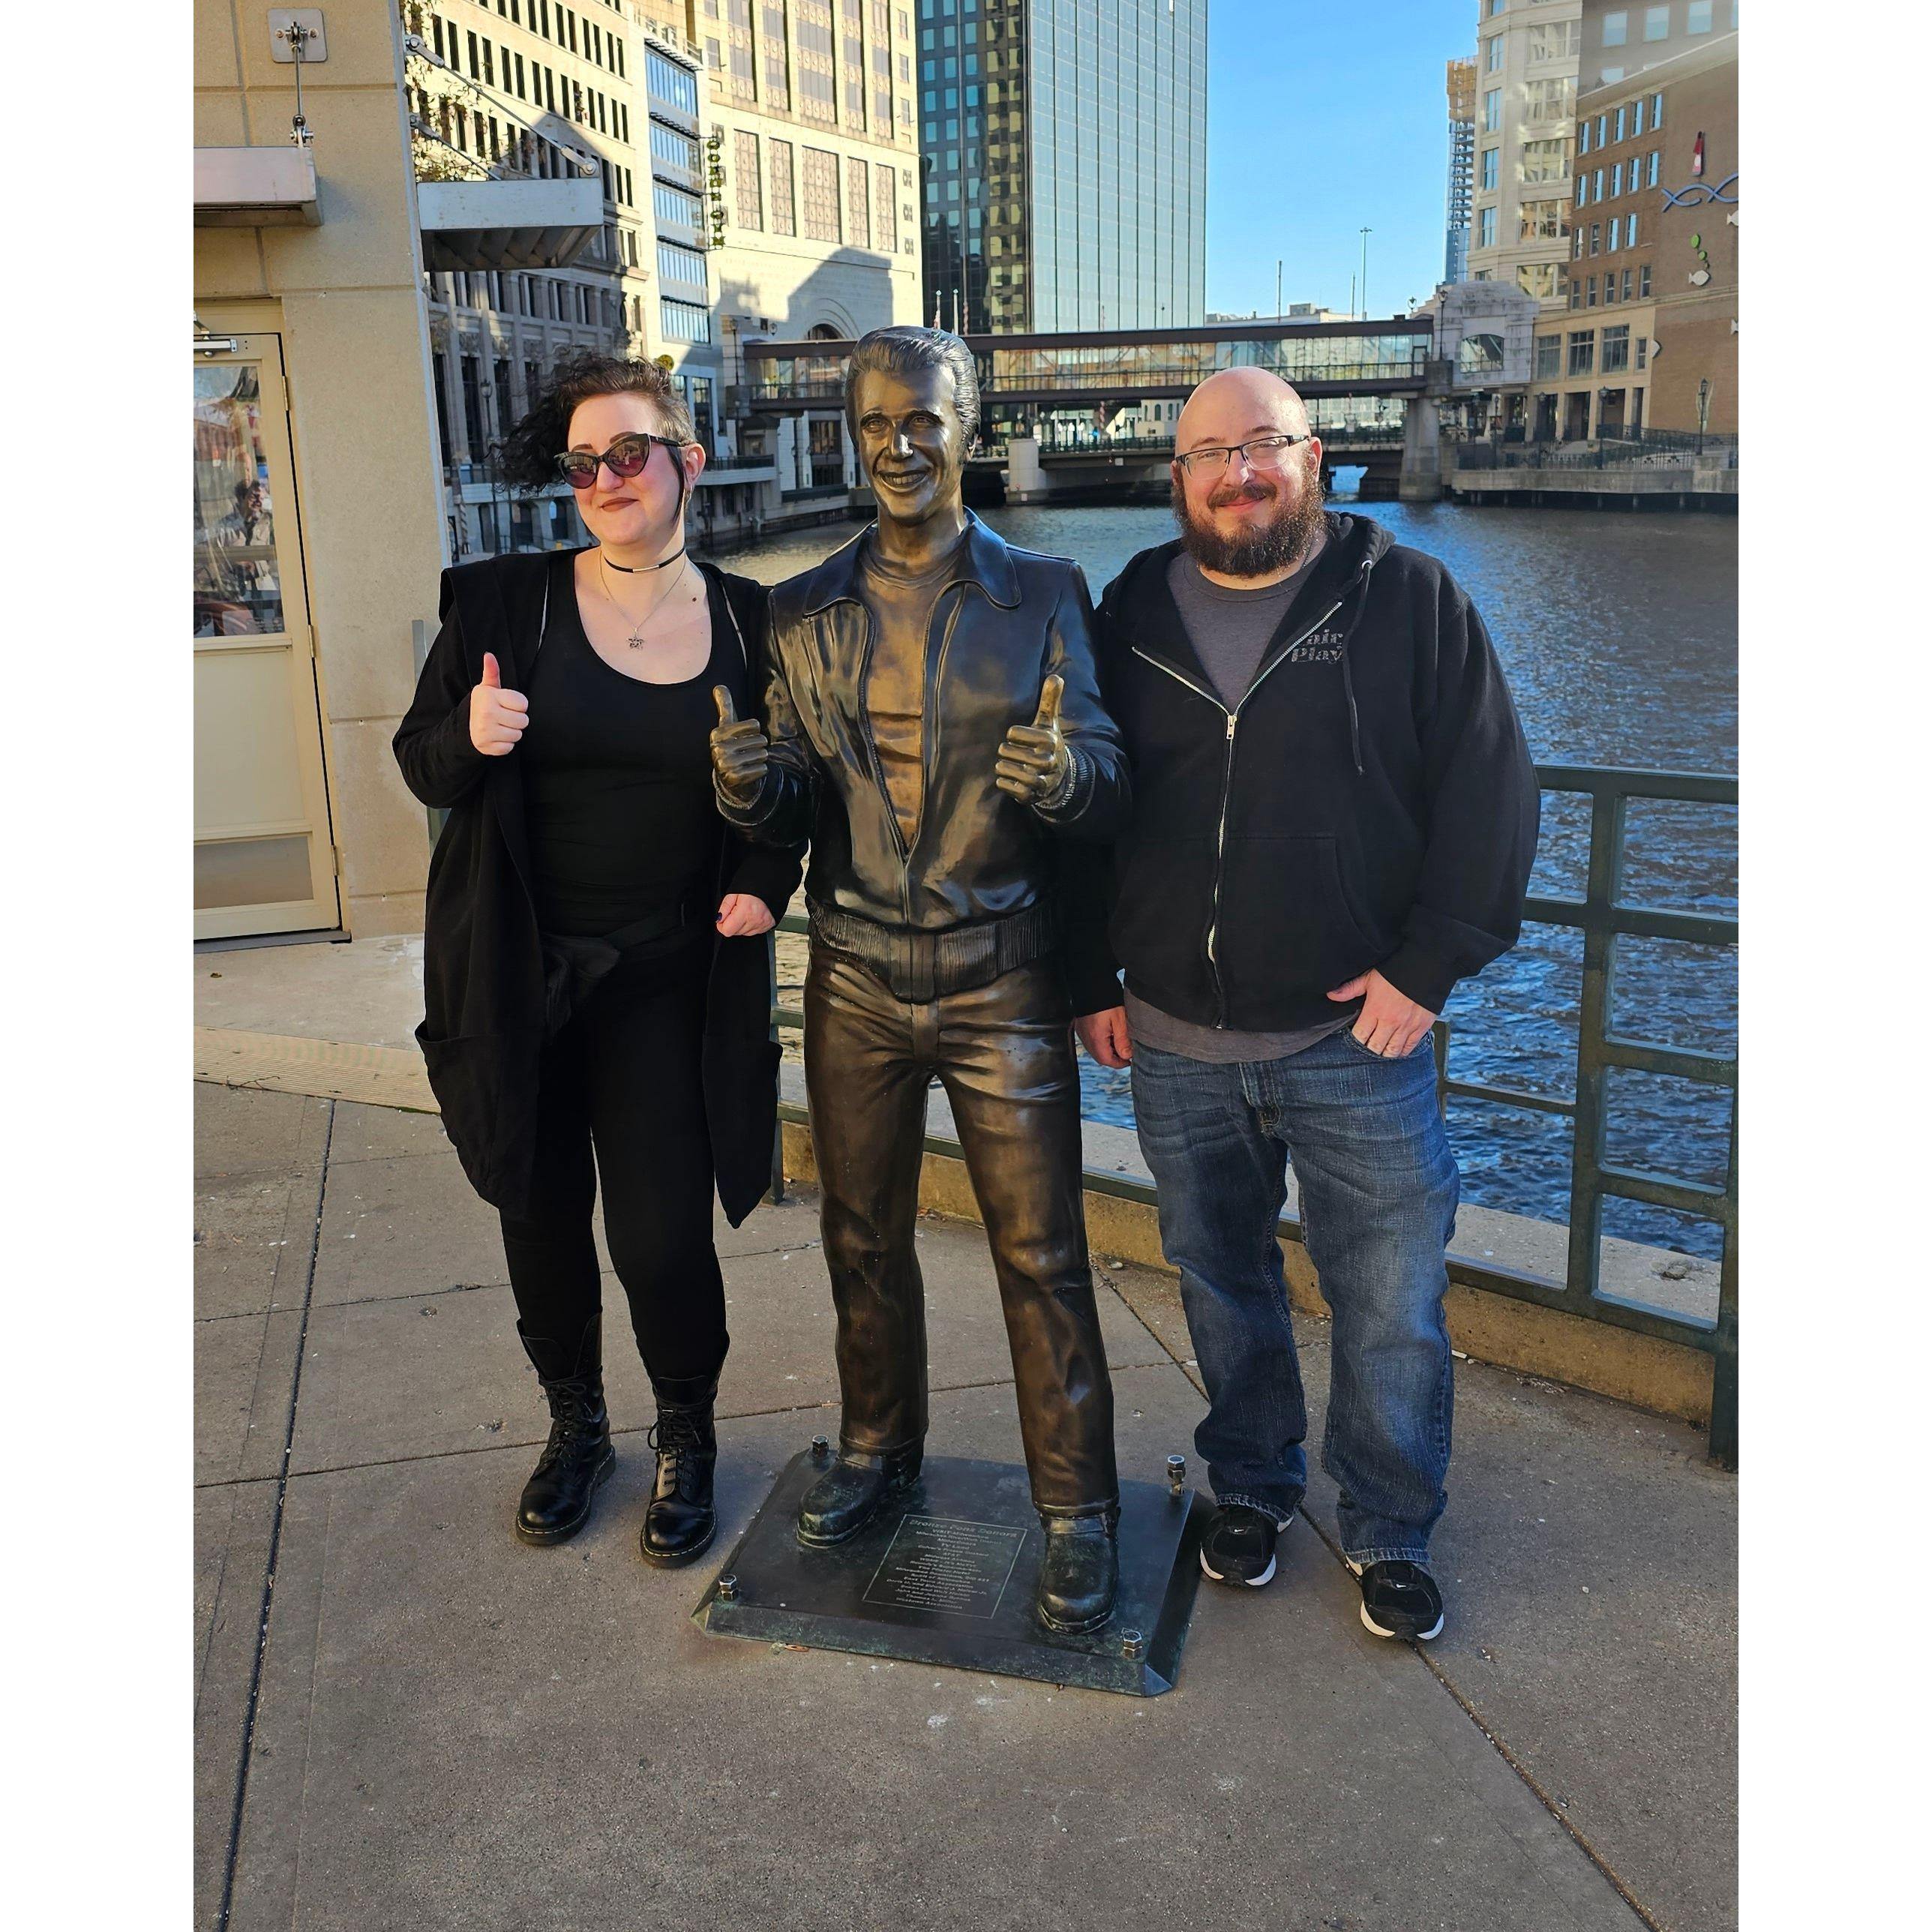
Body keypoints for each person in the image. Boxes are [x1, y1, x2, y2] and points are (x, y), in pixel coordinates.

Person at [1064, 367, 1539, 1642]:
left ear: (1315, 455)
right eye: (1210, 455)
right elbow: (1081, 812)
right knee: (1220, 1279)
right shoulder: (1128, 613)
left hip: (1354, 1037)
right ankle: (1254, 1486)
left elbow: (1491, 789)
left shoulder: (1408, 598)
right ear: (1178, 477)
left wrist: (1428, 970)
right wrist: (1083, 975)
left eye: (1263, 446)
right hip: (1169, 1037)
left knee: (1388, 1300)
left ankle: (1390, 1528)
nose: (1239, 475)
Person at [707, 326, 1132, 1634]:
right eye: (874, 422)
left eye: (923, 421)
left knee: (1042, 1251)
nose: (897, 446)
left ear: (969, 422)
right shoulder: (799, 608)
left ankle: (1077, 1510)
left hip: (1001, 975)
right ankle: (878, 1453)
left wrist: (1069, 780)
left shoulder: (1047, 593)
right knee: (860, 1238)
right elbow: (789, 788)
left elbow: (1110, 771)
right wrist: (754, 788)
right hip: (852, 978)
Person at [394, 351, 801, 1564]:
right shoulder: (501, 605)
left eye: (631, 453)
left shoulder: (749, 622)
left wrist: (762, 886)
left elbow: (793, 790)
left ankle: (688, 1435)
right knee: (539, 1213)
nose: (608, 478)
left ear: (690, 460)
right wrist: (465, 738)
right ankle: (578, 1429)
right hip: (521, 973)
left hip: (667, 978)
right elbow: (419, 763)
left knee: (662, 1234)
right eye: (585, 463)